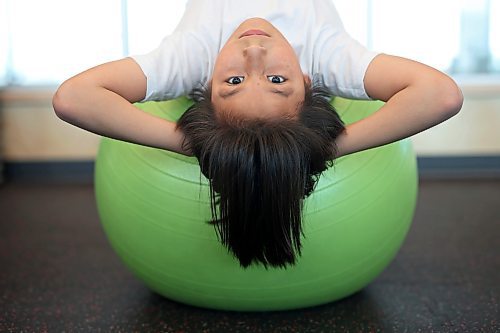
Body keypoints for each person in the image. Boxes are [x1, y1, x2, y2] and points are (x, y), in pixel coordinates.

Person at [52, 0, 463, 268]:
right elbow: (441, 95)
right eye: (278, 79)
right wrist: (320, 147)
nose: (253, 53)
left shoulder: (192, 58)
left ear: (206, 90)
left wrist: (199, 143)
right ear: (306, 80)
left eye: (232, 80)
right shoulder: (326, 55)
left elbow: (73, 98)